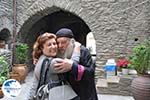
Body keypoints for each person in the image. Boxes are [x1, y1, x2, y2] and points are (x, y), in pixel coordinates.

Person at [28, 32, 80, 100]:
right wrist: (77, 49)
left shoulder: (40, 60)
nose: (53, 47)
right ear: (42, 48)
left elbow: (34, 86)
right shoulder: (53, 63)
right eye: (49, 45)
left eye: (54, 43)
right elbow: (73, 64)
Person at [53, 28, 98, 100]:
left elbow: (90, 73)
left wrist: (73, 67)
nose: (60, 46)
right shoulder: (58, 53)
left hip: (84, 94)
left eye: (63, 42)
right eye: (58, 43)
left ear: (72, 42)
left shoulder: (83, 51)